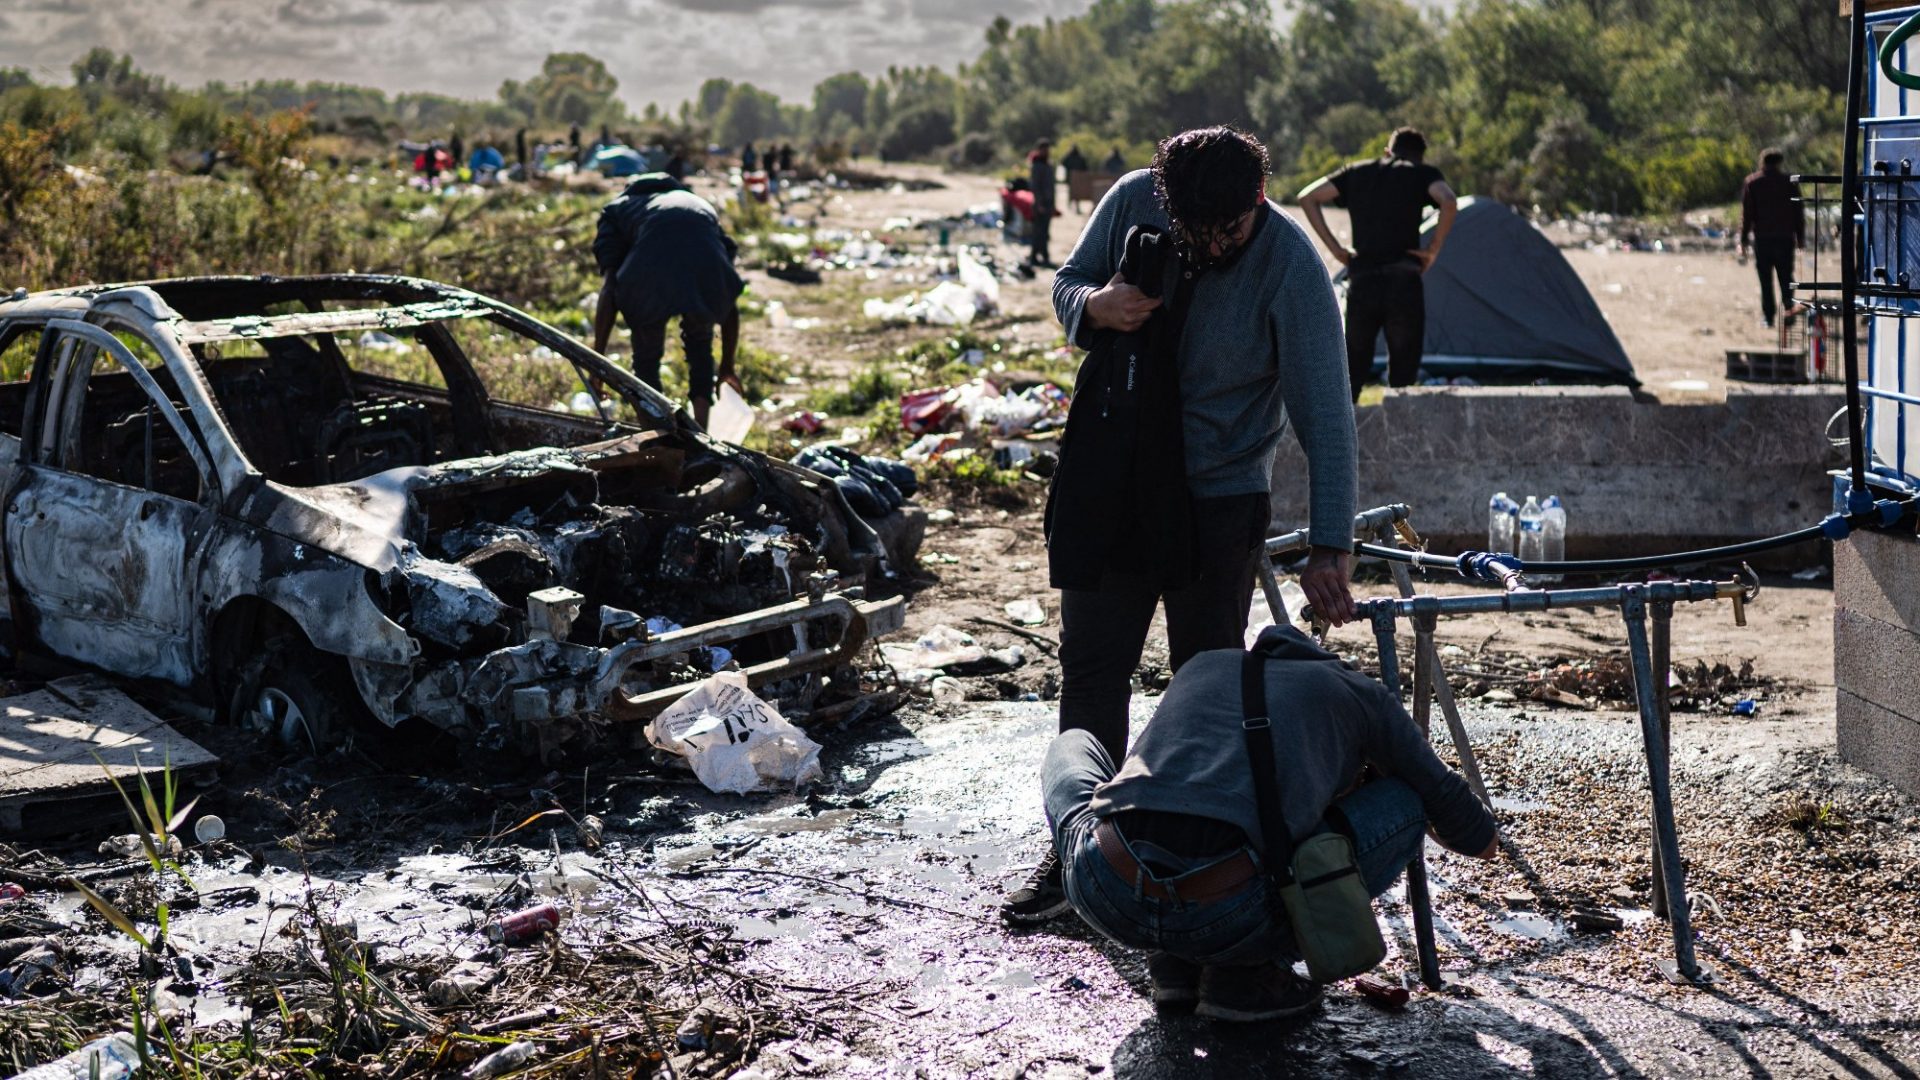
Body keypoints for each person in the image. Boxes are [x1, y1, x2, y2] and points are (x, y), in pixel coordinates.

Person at [1002, 126, 1359, 924]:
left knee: (1205, 694)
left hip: (1217, 500)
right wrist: (1096, 306)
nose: (1205, 246)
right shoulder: (1132, 196)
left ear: (1257, 202)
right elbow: (1068, 282)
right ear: (1164, 201)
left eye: (1224, 231)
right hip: (1112, 479)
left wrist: (1329, 547)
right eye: (1190, 232)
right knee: (1093, 672)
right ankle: (1078, 855)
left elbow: (1327, 420)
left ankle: (1193, 864)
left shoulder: (1291, 267)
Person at [1041, 624, 1498, 1019]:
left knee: (1074, 744)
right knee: (1405, 800)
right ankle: (1249, 973)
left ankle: (1174, 961)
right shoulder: (1357, 692)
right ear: (1330, 661)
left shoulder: (1202, 666)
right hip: (1229, 915)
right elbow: (1476, 836)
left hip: (1109, 891)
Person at [1298, 128, 1458, 401]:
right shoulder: (1422, 174)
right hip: (1403, 283)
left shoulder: (1357, 171)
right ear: (1419, 157)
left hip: (1363, 281)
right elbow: (1449, 201)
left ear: (1387, 151)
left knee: (1352, 373)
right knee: (1403, 375)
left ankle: (1346, 437)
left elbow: (1308, 197)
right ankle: (1399, 436)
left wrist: (1336, 249)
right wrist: (1432, 250)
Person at [591, 176, 745, 428]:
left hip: (649, 270)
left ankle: (657, 434)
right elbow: (726, 296)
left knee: (647, 357)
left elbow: (610, 288)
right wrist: (727, 365)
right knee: (700, 342)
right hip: (700, 264)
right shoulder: (698, 204)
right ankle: (702, 435)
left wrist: (596, 361)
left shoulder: (618, 209)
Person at [1740, 148, 1805, 329]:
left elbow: (1747, 215)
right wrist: (1800, 237)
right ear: (1779, 163)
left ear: (1763, 162)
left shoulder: (1752, 183)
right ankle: (1789, 311)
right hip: (1785, 238)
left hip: (1763, 239)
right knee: (1786, 277)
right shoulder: (1789, 182)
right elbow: (1798, 212)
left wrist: (1743, 240)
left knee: (1765, 280)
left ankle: (1768, 317)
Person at [1029, 138, 1058, 267]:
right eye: (1044, 149)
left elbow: (1051, 187)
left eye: (1048, 149)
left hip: (1048, 203)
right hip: (1040, 205)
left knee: (1044, 231)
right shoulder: (1037, 165)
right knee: (1039, 232)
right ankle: (1041, 257)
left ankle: (1035, 256)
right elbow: (1036, 186)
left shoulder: (1047, 165)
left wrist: (1052, 205)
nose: (1047, 151)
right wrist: (1039, 204)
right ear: (1039, 150)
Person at [1061, 144, 1090, 213]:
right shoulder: (1079, 157)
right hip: (1077, 178)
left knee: (1073, 192)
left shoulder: (1070, 157)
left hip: (1073, 177)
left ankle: (1071, 204)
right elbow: (1085, 168)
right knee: (1076, 192)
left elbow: (1063, 163)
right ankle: (1073, 205)